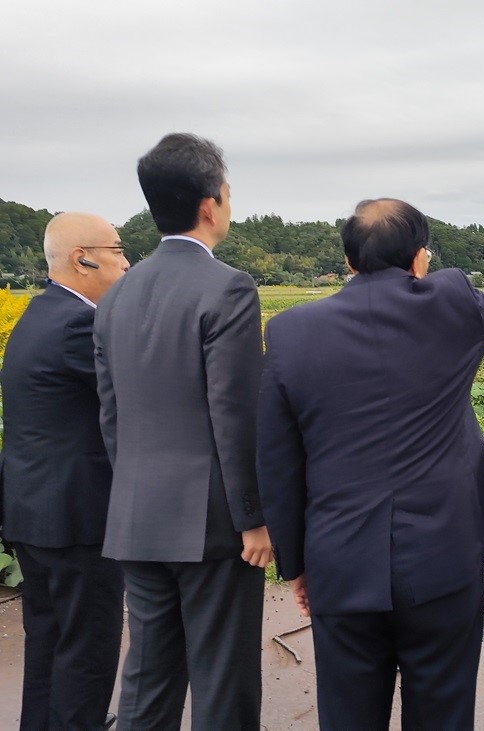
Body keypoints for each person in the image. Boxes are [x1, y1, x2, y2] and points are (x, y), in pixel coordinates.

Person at [257, 198, 484, 729]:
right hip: (443, 554)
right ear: (419, 257)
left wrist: (297, 563)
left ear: (349, 261)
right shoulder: (452, 307)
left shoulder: (291, 331)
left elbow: (277, 459)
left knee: (348, 712)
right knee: (442, 707)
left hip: (339, 557)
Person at [93, 133, 272, 730]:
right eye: (227, 193)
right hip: (212, 524)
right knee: (223, 681)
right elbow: (235, 412)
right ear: (208, 204)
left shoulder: (116, 295)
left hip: (137, 514)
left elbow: (111, 415)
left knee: (149, 678)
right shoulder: (228, 286)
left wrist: (134, 491)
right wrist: (253, 517)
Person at [0, 212, 129, 730]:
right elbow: (132, 400)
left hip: (34, 512)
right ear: (82, 259)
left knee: (49, 641)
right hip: (77, 519)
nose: (126, 262)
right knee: (87, 649)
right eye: (117, 249)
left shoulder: (40, 315)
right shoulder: (79, 324)